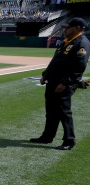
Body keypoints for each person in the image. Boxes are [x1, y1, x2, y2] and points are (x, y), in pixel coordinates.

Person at [30, 17, 89, 150]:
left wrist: (66, 83)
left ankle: (69, 140)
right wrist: (46, 74)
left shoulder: (81, 43)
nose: (65, 29)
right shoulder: (68, 41)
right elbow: (56, 61)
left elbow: (79, 67)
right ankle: (47, 136)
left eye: (69, 27)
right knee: (51, 111)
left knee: (64, 112)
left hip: (63, 84)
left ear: (78, 28)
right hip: (53, 81)